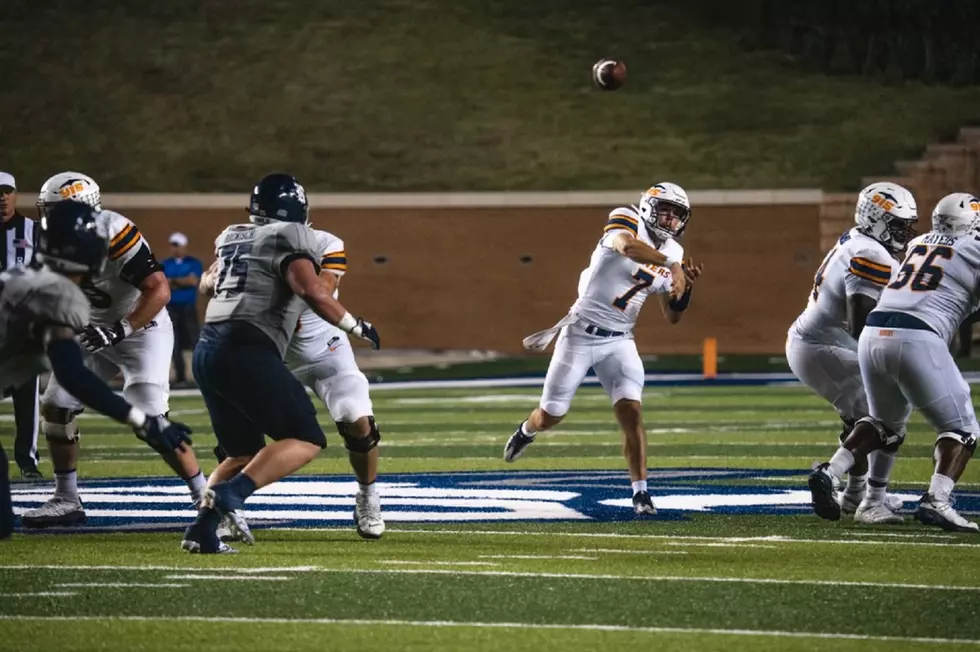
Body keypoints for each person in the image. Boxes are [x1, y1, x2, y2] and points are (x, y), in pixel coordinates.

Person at [182, 173, 380, 554]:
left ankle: (202, 528)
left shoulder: (263, 238)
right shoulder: (274, 238)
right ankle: (224, 503)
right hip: (262, 348)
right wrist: (358, 325)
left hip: (313, 348)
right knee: (293, 440)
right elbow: (306, 290)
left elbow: (321, 288)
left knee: (353, 418)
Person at [20, 172, 208, 529]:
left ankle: (205, 497)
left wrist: (119, 329)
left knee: (152, 416)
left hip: (140, 329)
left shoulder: (116, 232)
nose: (51, 219)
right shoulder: (47, 245)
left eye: (59, 211)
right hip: (90, 329)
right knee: (56, 406)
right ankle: (66, 498)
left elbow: (159, 290)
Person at [503, 182, 697, 515]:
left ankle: (641, 493)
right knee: (551, 415)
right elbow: (628, 248)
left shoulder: (674, 252)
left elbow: (672, 316)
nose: (669, 220)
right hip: (579, 334)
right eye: (665, 210)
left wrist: (684, 291)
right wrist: (671, 265)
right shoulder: (626, 219)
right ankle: (527, 429)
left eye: (676, 215)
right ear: (649, 207)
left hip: (620, 340)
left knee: (632, 414)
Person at [809, 193, 980, 532]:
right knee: (962, 429)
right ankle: (938, 500)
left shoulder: (918, 243)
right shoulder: (973, 246)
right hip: (918, 336)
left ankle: (831, 471)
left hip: (874, 332)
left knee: (884, 425)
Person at [787, 182, 917, 524]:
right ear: (875, 219)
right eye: (898, 224)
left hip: (819, 343)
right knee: (892, 409)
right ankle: (868, 498)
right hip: (820, 347)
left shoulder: (859, 240)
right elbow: (863, 323)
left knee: (863, 419)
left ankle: (856, 494)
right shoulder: (871, 254)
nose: (904, 231)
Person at [0, 171, 43, 479]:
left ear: (15, 194)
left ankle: (27, 462)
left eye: (6, 191)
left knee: (26, 397)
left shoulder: (35, 230)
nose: (2, 197)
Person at [161, 232, 203, 385]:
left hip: (188, 307)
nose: (175, 249)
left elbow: (192, 281)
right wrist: (180, 281)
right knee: (174, 341)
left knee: (194, 340)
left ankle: (199, 374)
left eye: (177, 245)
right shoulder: (165, 264)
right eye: (173, 245)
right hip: (171, 307)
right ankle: (180, 376)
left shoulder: (193, 263)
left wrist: (173, 281)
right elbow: (163, 283)